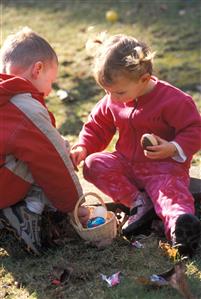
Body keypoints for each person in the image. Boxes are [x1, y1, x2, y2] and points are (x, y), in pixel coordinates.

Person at [70, 33, 201, 258]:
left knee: (171, 196)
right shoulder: (114, 98)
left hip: (163, 169)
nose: (112, 97)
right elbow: (97, 125)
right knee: (94, 164)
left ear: (143, 79)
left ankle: (181, 230)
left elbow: (194, 129)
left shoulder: (174, 100)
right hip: (127, 165)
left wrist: (173, 147)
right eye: (106, 91)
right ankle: (139, 203)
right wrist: (83, 146)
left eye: (118, 92)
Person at [0, 27, 89, 255]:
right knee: (56, 148)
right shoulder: (24, 107)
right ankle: (26, 212)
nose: (49, 91)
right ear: (37, 69)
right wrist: (75, 205)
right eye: (51, 82)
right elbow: (53, 162)